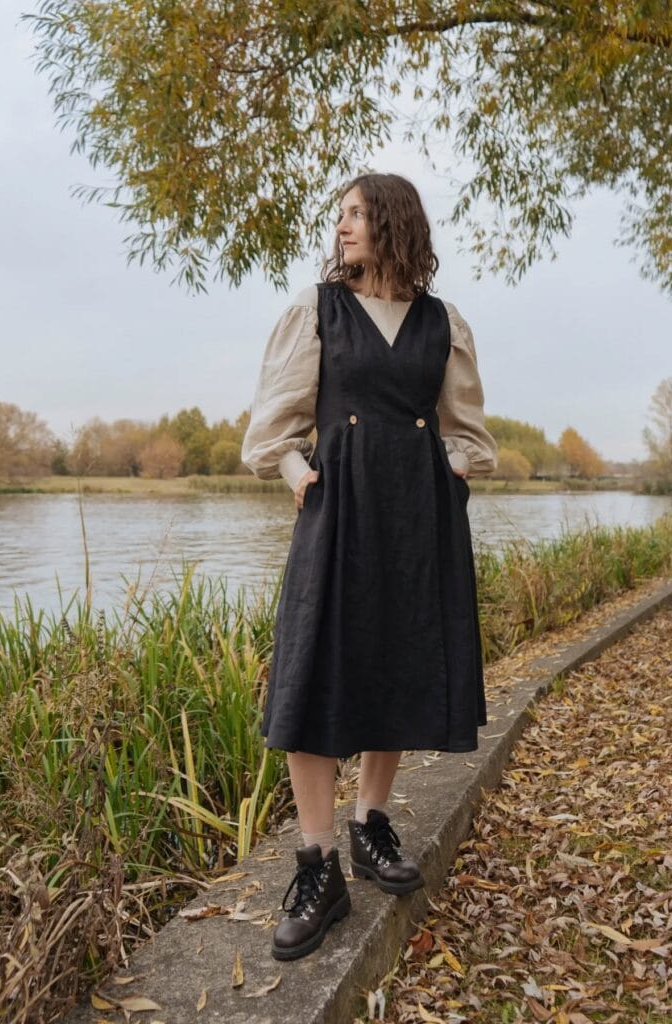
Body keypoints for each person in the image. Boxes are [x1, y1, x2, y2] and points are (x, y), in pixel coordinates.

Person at [240, 172, 498, 962]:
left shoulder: (441, 323)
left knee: (398, 659)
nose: (342, 227)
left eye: (356, 214)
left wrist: (447, 472)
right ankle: (316, 863)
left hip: (417, 520)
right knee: (311, 668)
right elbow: (268, 432)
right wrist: (298, 476)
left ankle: (368, 824)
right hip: (338, 509)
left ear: (391, 223)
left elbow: (470, 434)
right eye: (340, 215)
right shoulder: (314, 311)